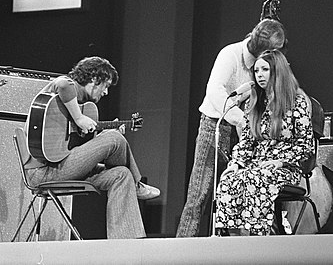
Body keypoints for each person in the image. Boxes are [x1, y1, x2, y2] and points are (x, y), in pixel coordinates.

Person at [24, 56, 159, 239]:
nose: (106, 93)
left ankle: (126, 243)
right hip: (44, 171)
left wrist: (102, 135)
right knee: (114, 138)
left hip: (63, 165)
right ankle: (137, 185)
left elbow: (76, 149)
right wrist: (79, 119)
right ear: (95, 80)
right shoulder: (67, 89)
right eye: (106, 86)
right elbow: (63, 84)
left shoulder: (86, 107)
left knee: (121, 174)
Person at [177, 19, 287, 237]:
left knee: (240, 193)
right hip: (214, 127)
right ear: (260, 46)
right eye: (272, 51)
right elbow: (214, 90)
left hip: (242, 133)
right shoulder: (231, 54)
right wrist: (240, 119)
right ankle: (181, 250)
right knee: (199, 195)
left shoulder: (263, 66)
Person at [214, 49, 314, 236]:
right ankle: (231, 239)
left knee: (257, 178)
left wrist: (280, 162)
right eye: (257, 71)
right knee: (229, 180)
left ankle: (258, 238)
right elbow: (246, 142)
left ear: (277, 71)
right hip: (256, 164)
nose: (259, 75)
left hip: (285, 167)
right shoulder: (255, 103)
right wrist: (235, 164)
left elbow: (305, 145)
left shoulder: (296, 102)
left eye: (265, 70)